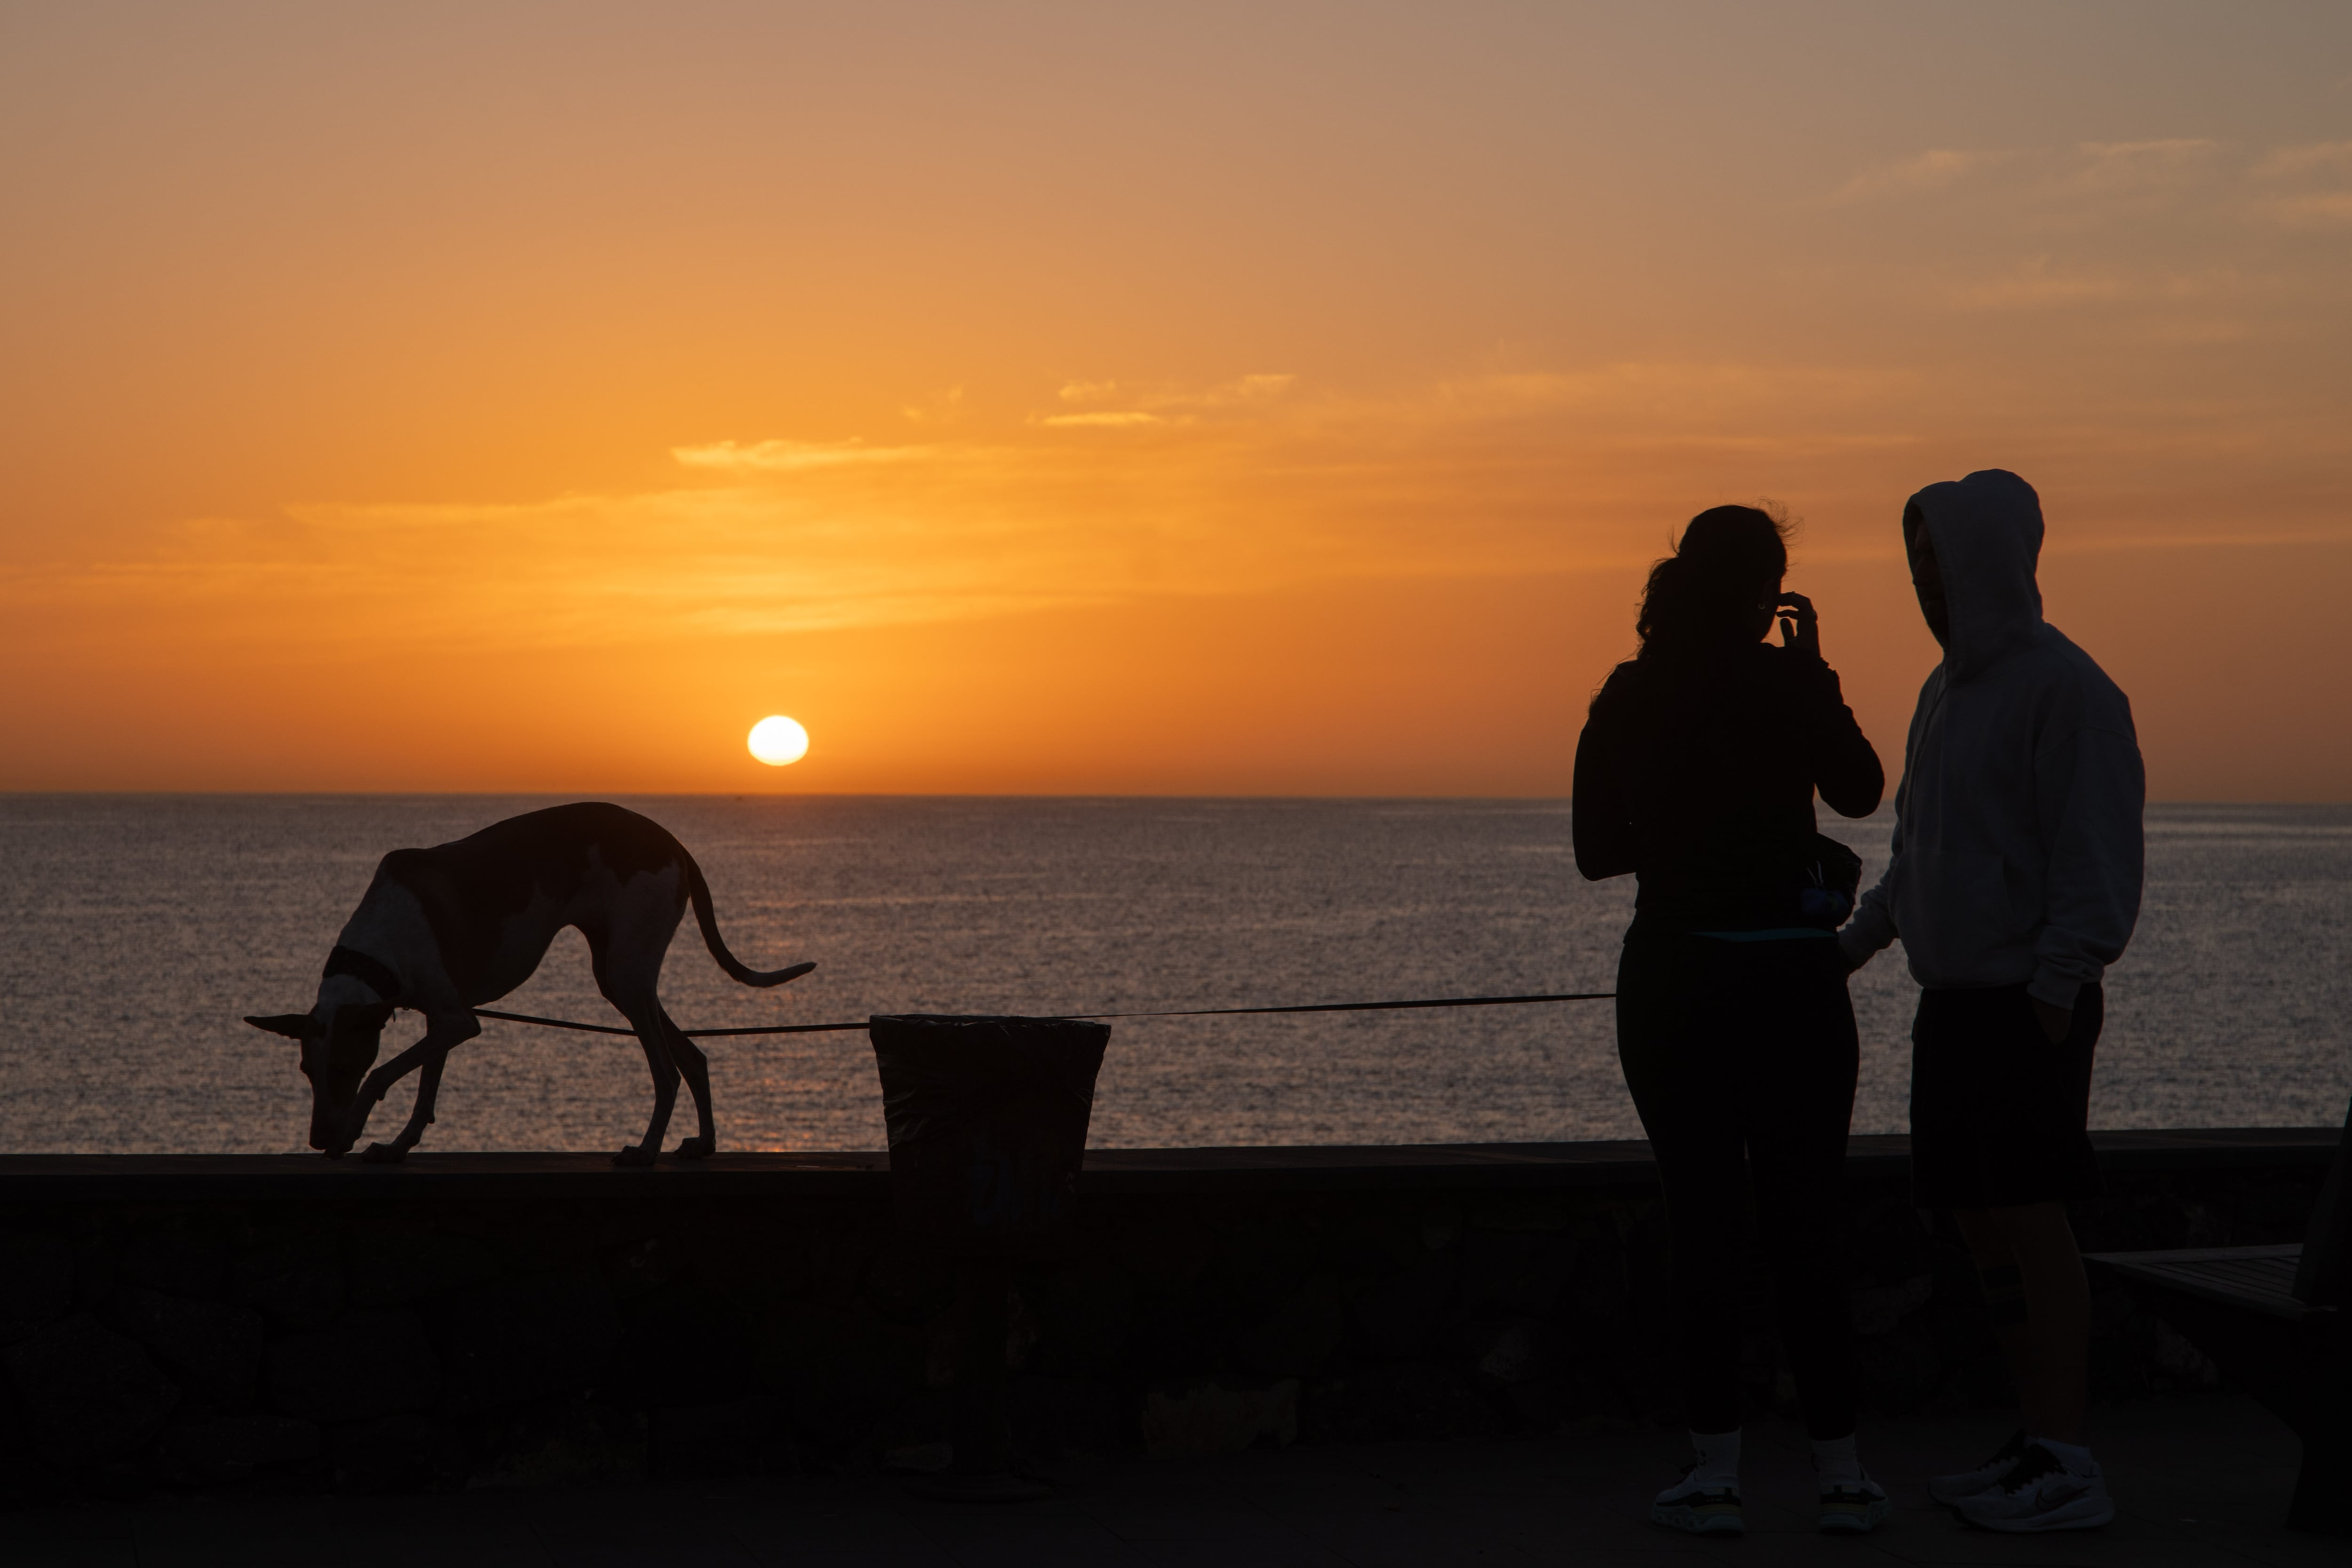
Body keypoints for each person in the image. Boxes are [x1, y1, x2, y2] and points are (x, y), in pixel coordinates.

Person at [1840, 469, 2144, 1533]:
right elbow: (1918, 851)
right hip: (1953, 1000)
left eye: (1943, 569)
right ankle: (2033, 1437)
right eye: (1917, 570)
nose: (1929, 589)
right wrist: (1857, 941)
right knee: (1979, 1224)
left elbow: (2095, 855)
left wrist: (2058, 987)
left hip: (2026, 1000)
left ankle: (2069, 1456)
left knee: (2030, 1215)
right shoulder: (1940, 695)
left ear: (1992, 567)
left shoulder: (2070, 692)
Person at [1574, 504, 1887, 1536]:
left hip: (1674, 981)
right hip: (1792, 988)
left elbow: (1595, 848)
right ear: (1768, 596)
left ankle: (1713, 1473)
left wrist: (1688, 839)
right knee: (1807, 1223)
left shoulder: (1631, 689)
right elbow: (1858, 788)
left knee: (1702, 1220)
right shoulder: (1791, 682)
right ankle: (1839, 1473)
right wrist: (1816, 678)